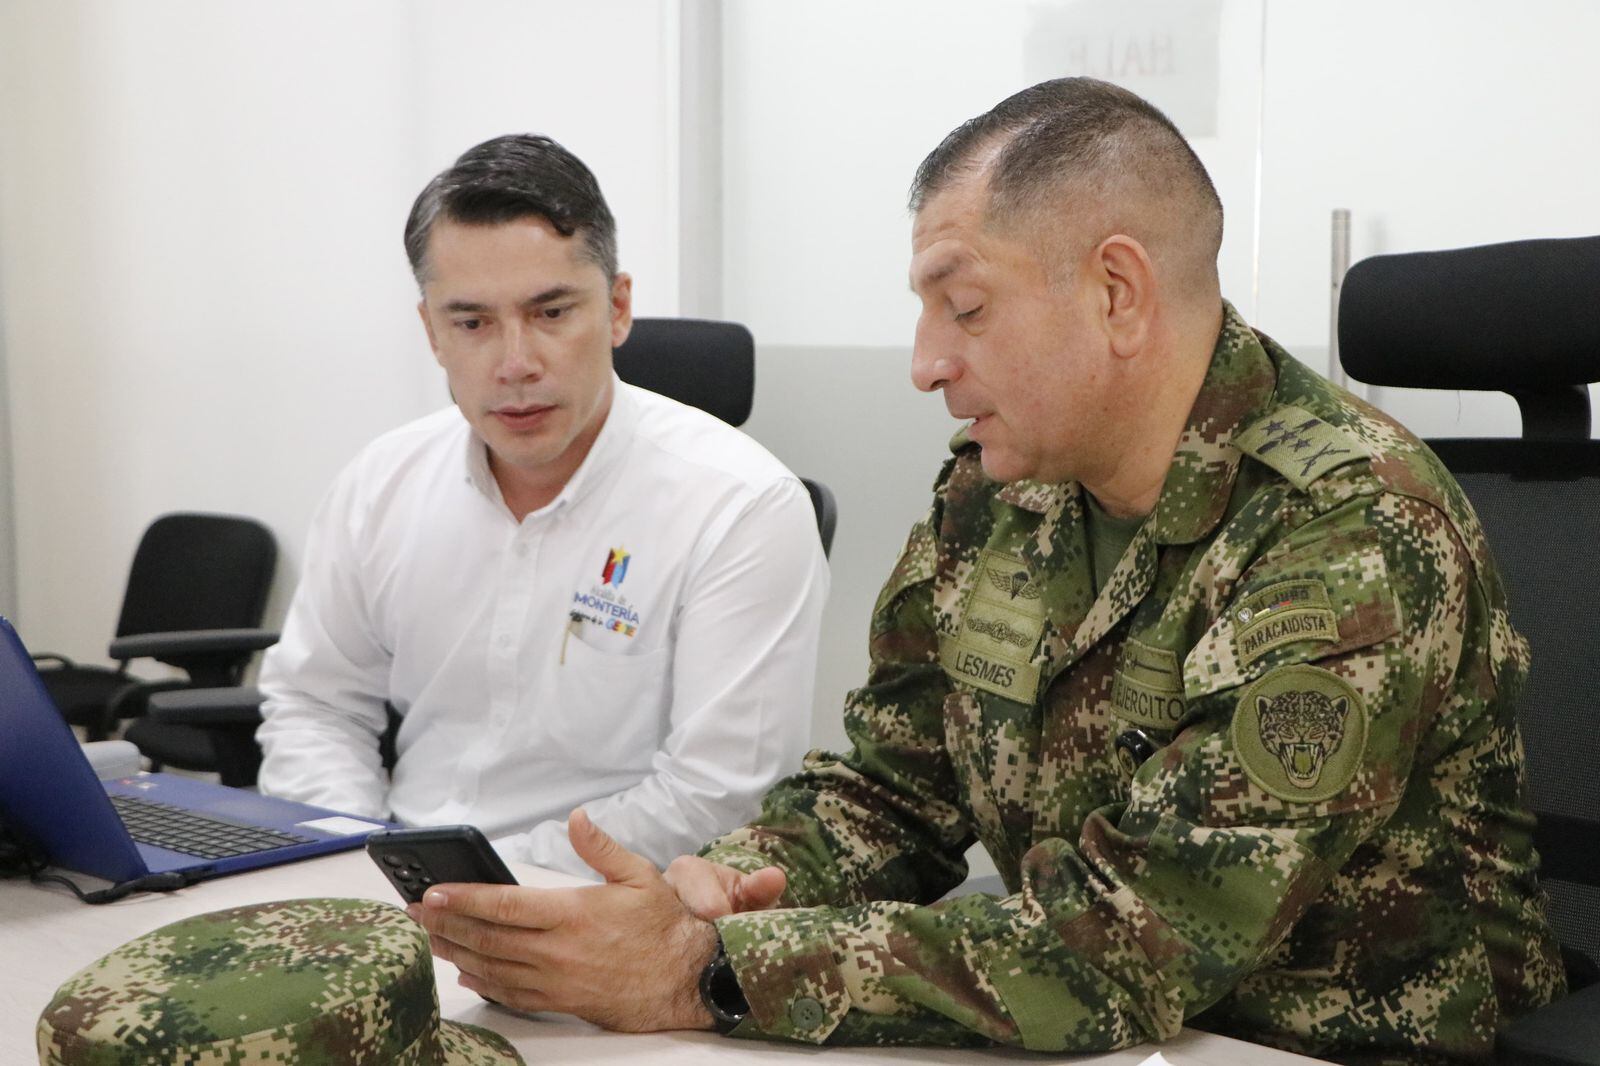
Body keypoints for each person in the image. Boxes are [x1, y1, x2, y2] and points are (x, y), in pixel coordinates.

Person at [407, 81, 1565, 1060]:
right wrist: (730, 883)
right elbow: (893, 787)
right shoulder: (1001, 484)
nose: (924, 363)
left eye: (963, 307)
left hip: (1325, 1045)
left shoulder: (1349, 530)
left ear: (1117, 293)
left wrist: (706, 968)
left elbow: (1135, 936)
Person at [255, 134, 829, 877]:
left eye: (552, 313)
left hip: (606, 908)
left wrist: (472, 881)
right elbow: (315, 704)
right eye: (472, 323)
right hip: (389, 883)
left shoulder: (741, 506)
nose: (516, 362)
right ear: (431, 332)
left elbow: (716, 796)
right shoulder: (381, 484)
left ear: (618, 309)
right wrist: (359, 855)